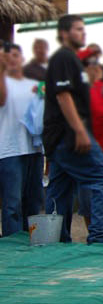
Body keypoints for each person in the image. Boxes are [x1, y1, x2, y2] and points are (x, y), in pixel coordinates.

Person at [43, 15, 103, 244]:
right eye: (77, 29)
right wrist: (80, 131)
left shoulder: (71, 60)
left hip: (60, 137)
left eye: (83, 29)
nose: (83, 33)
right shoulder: (64, 57)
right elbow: (63, 96)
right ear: (64, 33)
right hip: (69, 134)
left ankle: (54, 238)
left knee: (60, 187)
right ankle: (101, 236)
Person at [0, 44, 44, 235]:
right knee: (12, 203)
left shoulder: (33, 85)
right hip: (9, 150)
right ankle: (12, 243)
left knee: (34, 201)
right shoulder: (3, 82)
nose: (11, 59)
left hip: (34, 149)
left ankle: (31, 239)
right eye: (6, 56)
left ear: (22, 58)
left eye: (15, 55)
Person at [76, 48, 103, 228]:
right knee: (87, 195)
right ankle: (93, 231)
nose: (95, 66)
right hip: (88, 149)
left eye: (96, 62)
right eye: (90, 63)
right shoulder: (78, 89)